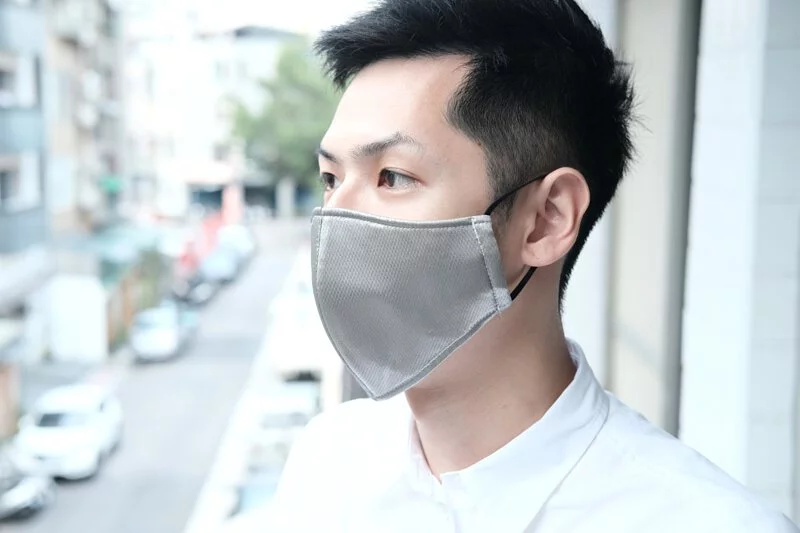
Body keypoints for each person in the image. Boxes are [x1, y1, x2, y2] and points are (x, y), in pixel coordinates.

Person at [264, 0, 800, 531]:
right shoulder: (328, 462)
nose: (336, 219)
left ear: (546, 220)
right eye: (331, 179)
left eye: (394, 177)